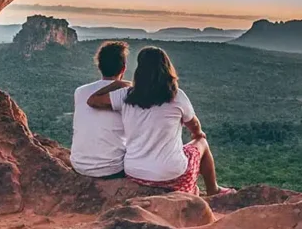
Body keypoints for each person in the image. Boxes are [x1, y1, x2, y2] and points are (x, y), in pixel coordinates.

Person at [88, 46, 234, 196]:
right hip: (172, 174)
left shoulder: (125, 95)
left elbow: (92, 100)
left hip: (135, 173)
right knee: (202, 143)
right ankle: (213, 190)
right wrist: (197, 134)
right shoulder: (176, 96)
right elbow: (194, 124)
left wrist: (118, 83)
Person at [69, 41, 131, 178]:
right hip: (112, 170)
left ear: (99, 66)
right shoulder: (127, 94)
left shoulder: (79, 91)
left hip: (78, 165)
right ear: (123, 69)